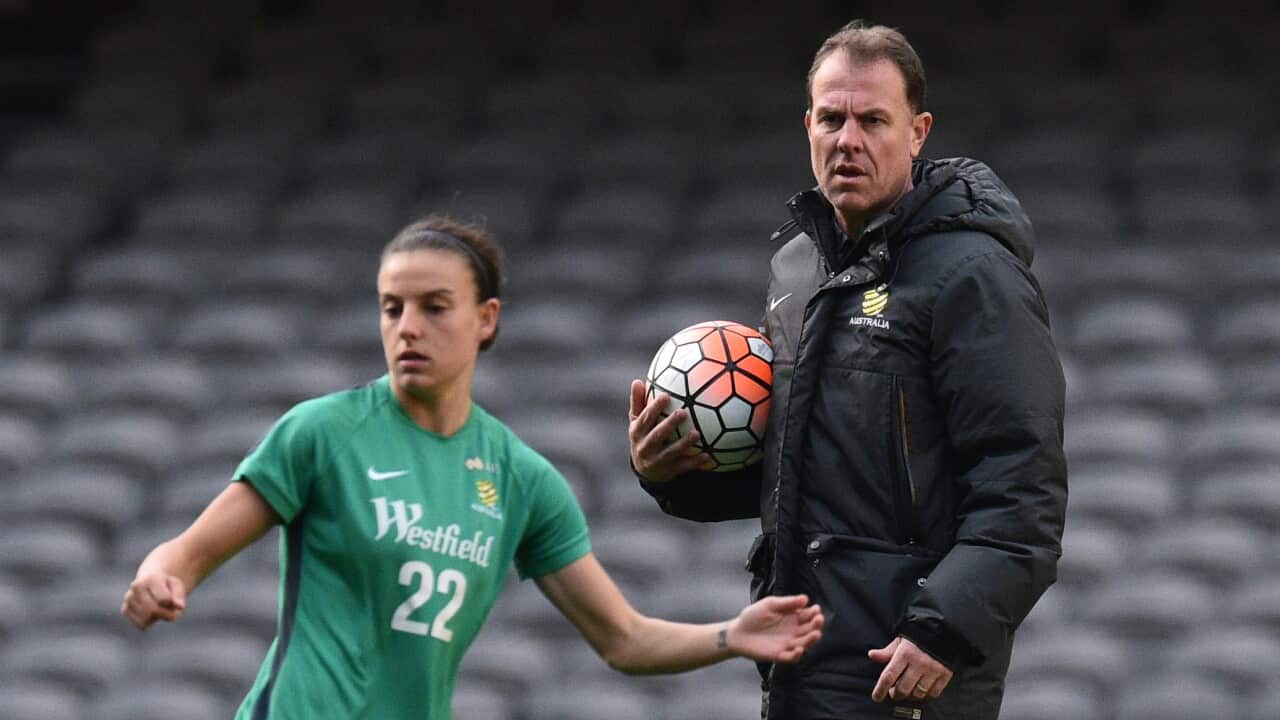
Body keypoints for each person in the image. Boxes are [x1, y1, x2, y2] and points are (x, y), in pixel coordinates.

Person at [122, 214, 825, 719]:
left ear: (486, 318)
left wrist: (733, 635)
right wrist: (163, 577)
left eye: (434, 307)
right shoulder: (321, 433)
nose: (407, 328)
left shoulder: (520, 479)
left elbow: (622, 639)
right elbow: (187, 553)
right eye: (391, 308)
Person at [627, 19, 1067, 720]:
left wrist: (942, 630)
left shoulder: (975, 276)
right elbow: (806, 468)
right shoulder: (797, 269)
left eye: (873, 120)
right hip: (802, 667)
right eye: (832, 118)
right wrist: (672, 469)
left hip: (909, 675)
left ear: (918, 131)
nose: (848, 140)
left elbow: (1024, 494)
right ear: (808, 125)